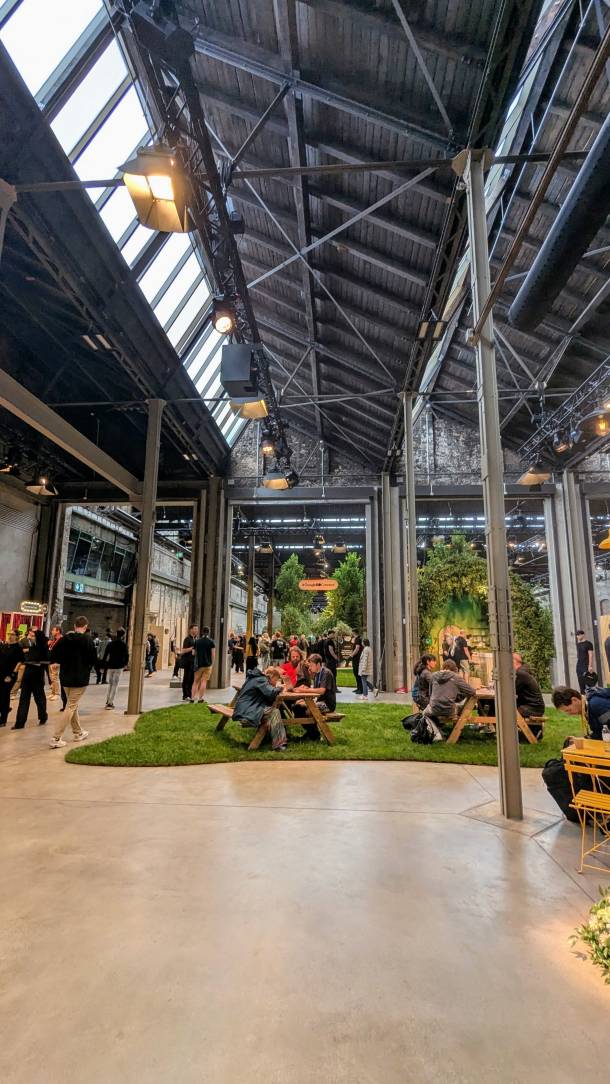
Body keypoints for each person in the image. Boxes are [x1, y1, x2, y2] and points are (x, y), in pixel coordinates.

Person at [48, 616, 98, 747]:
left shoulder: (64, 639)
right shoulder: (88, 640)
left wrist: (58, 663)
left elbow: (54, 654)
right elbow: (93, 659)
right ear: (85, 627)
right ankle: (56, 738)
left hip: (65, 677)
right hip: (80, 678)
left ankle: (78, 732)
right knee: (70, 706)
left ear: (75, 626)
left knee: (72, 704)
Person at [232, 664, 288, 751]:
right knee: (274, 712)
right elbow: (270, 693)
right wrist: (279, 688)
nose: (275, 683)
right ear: (271, 676)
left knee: (272, 711)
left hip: (244, 709)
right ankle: (279, 745)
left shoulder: (256, 678)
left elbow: (267, 696)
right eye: (275, 680)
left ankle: (272, 739)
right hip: (248, 711)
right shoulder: (261, 679)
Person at [424, 659, 477, 742]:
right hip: (449, 710)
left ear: (443, 667)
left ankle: (437, 732)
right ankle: (454, 732)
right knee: (461, 708)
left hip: (434, 707)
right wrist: (459, 695)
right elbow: (472, 692)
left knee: (425, 713)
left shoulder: (433, 676)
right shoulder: (456, 677)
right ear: (454, 669)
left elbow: (431, 694)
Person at [13, 628, 49, 729]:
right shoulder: (32, 647)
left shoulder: (41, 649)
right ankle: (20, 722)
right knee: (24, 699)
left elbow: (46, 663)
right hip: (28, 676)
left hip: (36, 677)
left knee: (39, 699)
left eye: (33, 636)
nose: (31, 638)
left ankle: (42, 716)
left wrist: (50, 679)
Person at [513, 652, 545, 736]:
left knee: (508, 711)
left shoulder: (520, 674)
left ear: (513, 662)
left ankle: (507, 734)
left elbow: (510, 690)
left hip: (533, 707)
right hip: (535, 706)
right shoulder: (523, 671)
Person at [0, 633, 24, 727]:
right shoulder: (5, 646)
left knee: (4, 695)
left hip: (9, 675)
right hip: (1, 673)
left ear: (17, 636)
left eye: (12, 634)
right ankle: (5, 710)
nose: (10, 635)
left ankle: (3, 719)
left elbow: (19, 662)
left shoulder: (18, 648)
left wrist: (12, 674)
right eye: (9, 633)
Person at [102, 628, 129, 710]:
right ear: (123, 635)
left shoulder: (111, 644)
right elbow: (127, 655)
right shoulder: (123, 644)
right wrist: (125, 664)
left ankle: (108, 699)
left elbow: (105, 655)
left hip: (110, 665)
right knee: (115, 685)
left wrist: (103, 665)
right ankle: (110, 702)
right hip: (119, 666)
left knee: (110, 684)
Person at [192, 626, 216, 702]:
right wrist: (212, 664)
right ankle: (200, 698)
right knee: (204, 681)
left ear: (202, 632)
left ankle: (192, 698)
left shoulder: (197, 641)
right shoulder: (211, 642)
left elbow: (193, 653)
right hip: (207, 665)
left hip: (198, 665)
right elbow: (213, 655)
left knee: (195, 682)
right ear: (208, 632)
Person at [179, 624, 198, 701]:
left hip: (194, 662)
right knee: (186, 678)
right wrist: (192, 648)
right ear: (191, 630)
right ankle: (185, 695)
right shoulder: (187, 639)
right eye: (195, 629)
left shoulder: (196, 639)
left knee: (192, 679)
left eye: (197, 629)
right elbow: (183, 650)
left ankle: (190, 695)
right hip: (187, 661)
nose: (196, 630)